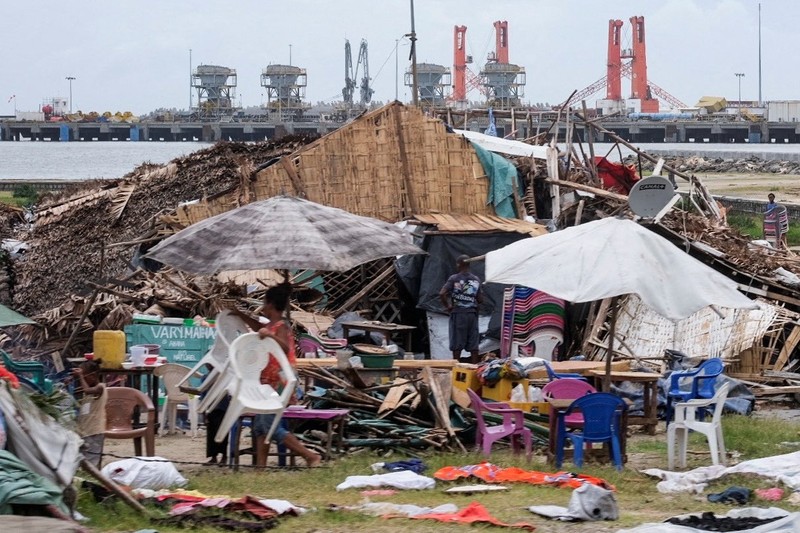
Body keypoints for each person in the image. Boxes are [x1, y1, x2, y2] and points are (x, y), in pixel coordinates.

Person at [233, 283, 321, 468]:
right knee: (260, 427)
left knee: (269, 427)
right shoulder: (271, 325)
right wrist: (240, 315)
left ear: (271, 304)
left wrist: (270, 336)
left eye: (264, 303)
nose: (262, 307)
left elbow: (285, 347)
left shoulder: (282, 326)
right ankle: (260, 469)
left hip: (280, 382)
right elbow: (258, 327)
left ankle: (310, 456)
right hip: (267, 382)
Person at [439, 254, 483, 364]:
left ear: (458, 264)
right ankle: (474, 371)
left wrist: (448, 306)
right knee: (473, 346)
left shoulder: (454, 278)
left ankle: (456, 369)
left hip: (458, 314)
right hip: (472, 315)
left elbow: (442, 293)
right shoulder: (476, 279)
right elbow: (481, 299)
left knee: (457, 345)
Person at [72, 359, 107, 468]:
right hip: (86, 430)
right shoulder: (89, 389)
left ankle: (93, 481)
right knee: (85, 458)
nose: (82, 380)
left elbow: (86, 390)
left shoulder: (100, 387)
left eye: (84, 377)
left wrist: (80, 375)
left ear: (93, 376)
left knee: (92, 460)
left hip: (95, 431)